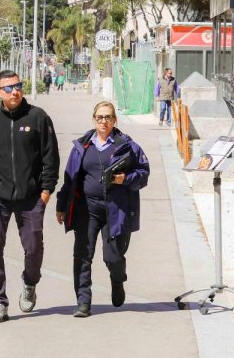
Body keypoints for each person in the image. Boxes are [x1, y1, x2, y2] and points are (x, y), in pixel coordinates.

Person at [0, 70, 60, 323]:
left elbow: (50, 158)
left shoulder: (38, 118)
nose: (15, 92)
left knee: (33, 248)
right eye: (9, 88)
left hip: (31, 197)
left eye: (18, 86)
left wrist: (45, 191)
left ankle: (30, 282)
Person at [55, 101, 151, 318]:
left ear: (114, 120)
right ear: (93, 119)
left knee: (113, 257)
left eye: (108, 117)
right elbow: (69, 179)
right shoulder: (82, 146)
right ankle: (83, 301)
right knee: (82, 255)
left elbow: (144, 173)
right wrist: (62, 205)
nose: (103, 121)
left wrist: (125, 178)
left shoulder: (127, 145)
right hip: (86, 209)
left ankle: (117, 281)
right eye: (100, 117)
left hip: (115, 210)